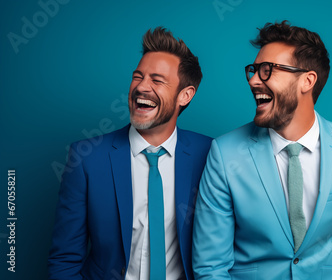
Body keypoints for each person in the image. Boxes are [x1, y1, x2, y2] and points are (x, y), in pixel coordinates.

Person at [192, 21, 332, 279]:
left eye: (267, 70)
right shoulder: (225, 154)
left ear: (307, 80)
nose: (253, 81)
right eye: (254, 70)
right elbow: (211, 266)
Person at [48, 27, 212, 280]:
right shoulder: (86, 157)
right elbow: (65, 259)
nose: (141, 87)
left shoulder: (211, 155)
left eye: (157, 80)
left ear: (185, 95)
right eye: (138, 76)